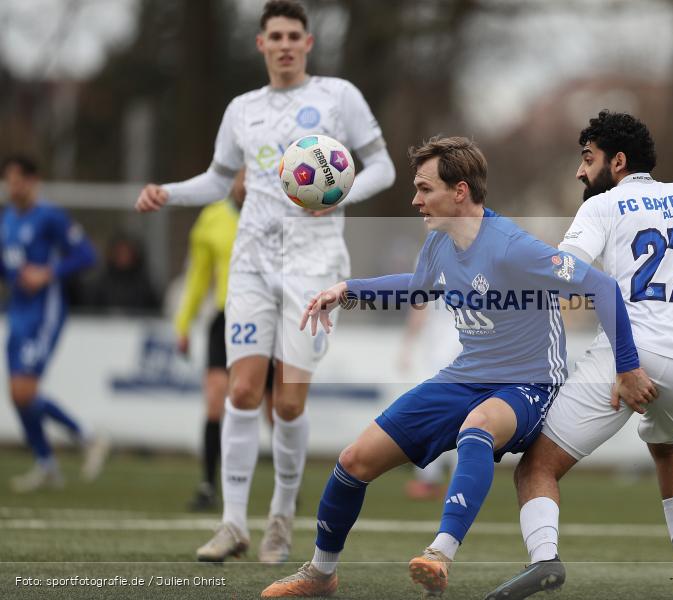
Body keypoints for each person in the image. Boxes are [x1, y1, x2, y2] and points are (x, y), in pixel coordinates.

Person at [260, 135, 656, 597]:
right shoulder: (439, 242)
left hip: (527, 385)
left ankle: (440, 554)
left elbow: (603, 288)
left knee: (477, 426)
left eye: (425, 189)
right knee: (353, 461)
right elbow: (418, 288)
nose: (416, 200)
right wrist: (348, 289)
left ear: (460, 191)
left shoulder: (513, 247)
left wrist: (627, 368)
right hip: (464, 377)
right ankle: (321, 574)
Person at [134, 0, 396, 564]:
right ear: (261, 44)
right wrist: (168, 193)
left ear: (308, 43)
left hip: (315, 266)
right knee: (242, 392)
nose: (284, 45)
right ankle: (232, 523)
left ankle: (280, 516)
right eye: (274, 36)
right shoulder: (242, 109)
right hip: (251, 262)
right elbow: (217, 179)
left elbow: (383, 166)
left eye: (293, 36)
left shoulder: (339, 97)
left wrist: (341, 193)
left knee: (290, 403)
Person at [484, 111, 673, 600]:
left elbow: (567, 272)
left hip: (628, 354)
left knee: (536, 468)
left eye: (587, 158)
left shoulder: (604, 205)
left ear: (617, 161)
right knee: (669, 448)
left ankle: (544, 560)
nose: (580, 171)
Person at [1, 154, 108, 492]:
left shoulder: (50, 216)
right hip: (17, 311)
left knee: (24, 390)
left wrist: (48, 273)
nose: (13, 187)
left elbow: (86, 255)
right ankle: (47, 463)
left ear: (33, 181)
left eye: (18, 180)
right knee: (17, 394)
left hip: (44, 311)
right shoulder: (7, 219)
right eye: (8, 181)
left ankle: (87, 437)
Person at [173, 169, 243, 511]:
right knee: (215, 397)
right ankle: (208, 485)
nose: (245, 182)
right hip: (225, 317)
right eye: (241, 174)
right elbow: (198, 275)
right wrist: (183, 323)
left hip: (268, 316)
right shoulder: (212, 218)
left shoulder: (278, 213)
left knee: (275, 407)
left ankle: (285, 488)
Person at [397, 292, 461, 501]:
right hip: (465, 348)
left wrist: (407, 346)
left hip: (443, 353)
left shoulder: (430, 270)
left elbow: (419, 309)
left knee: (435, 415)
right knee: (464, 415)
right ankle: (459, 480)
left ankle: (429, 479)